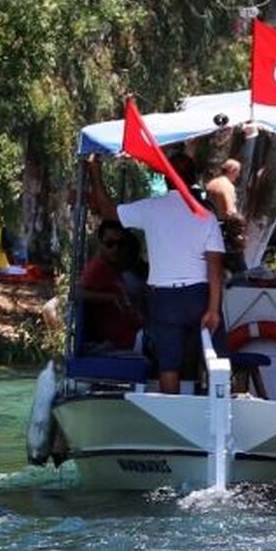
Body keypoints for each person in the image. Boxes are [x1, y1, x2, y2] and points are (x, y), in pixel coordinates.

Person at [94, 152, 223, 394]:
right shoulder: (207, 216)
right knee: (215, 358)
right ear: (194, 179)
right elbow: (215, 267)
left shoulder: (151, 209)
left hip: (163, 298)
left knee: (168, 365)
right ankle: (219, 410)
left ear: (166, 179)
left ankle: (170, 417)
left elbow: (107, 211)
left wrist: (94, 170)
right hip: (199, 294)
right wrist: (214, 309)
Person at [76, 219, 143, 351]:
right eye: (110, 244)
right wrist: (111, 297)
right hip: (122, 341)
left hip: (134, 333)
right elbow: (76, 293)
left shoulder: (114, 268)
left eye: (120, 244)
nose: (116, 249)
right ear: (101, 243)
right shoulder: (97, 268)